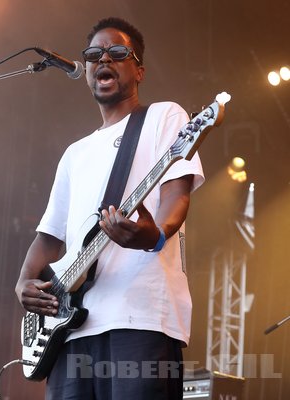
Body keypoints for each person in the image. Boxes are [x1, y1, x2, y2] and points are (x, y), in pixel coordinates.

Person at [15, 17, 205, 399]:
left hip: (140, 319)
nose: (104, 59)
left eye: (118, 53)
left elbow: (176, 194)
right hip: (70, 332)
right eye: (93, 54)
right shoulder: (75, 153)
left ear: (139, 70)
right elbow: (50, 237)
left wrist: (155, 235)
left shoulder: (164, 117)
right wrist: (23, 282)